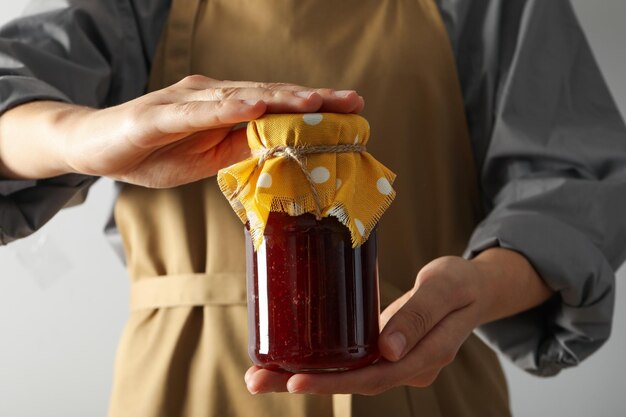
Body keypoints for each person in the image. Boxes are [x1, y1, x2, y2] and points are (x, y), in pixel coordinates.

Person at [1, 0, 625, 416]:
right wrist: (79, 137)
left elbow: (572, 189)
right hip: (183, 387)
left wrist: (481, 287)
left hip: (419, 365)